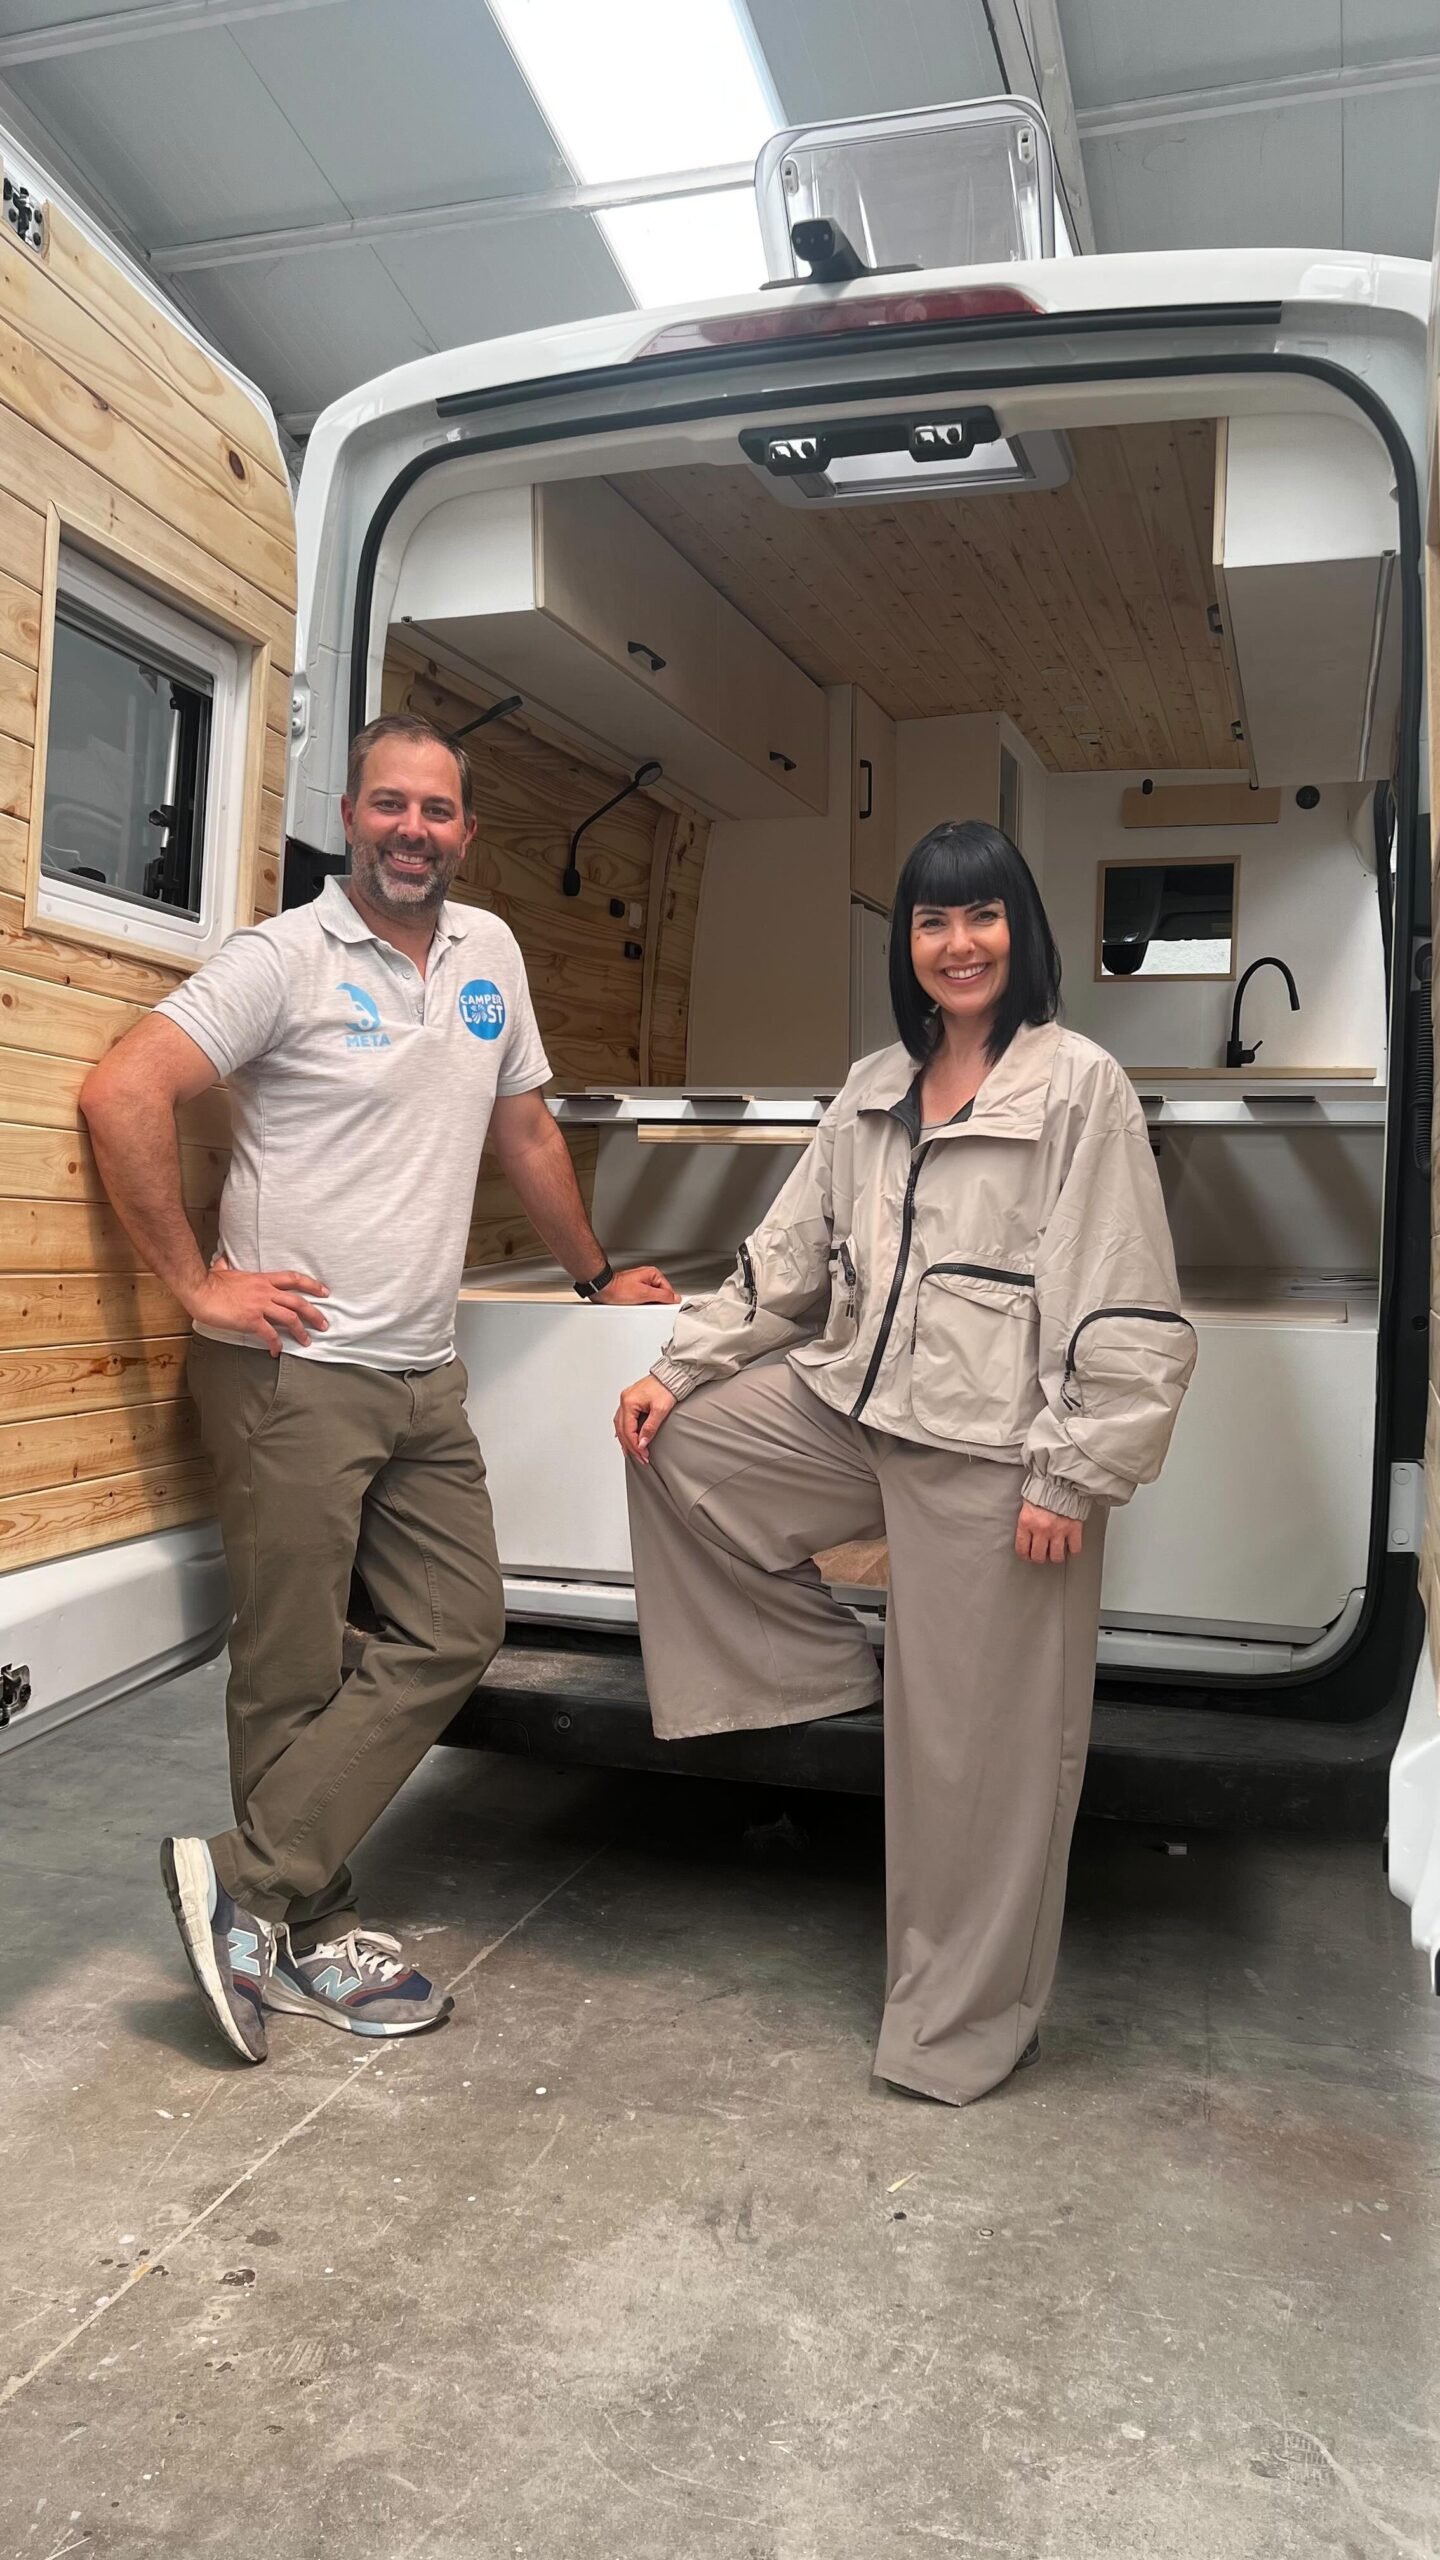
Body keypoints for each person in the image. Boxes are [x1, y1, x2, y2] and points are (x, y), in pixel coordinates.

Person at [81, 712, 676, 2064]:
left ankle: (247, 1886)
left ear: (466, 831)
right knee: (290, 1667)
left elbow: (523, 1126)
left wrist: (594, 1278)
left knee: (457, 1626)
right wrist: (197, 1285)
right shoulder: (283, 958)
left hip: (422, 1371)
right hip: (293, 1376)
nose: (415, 829)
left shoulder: (491, 953)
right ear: (350, 815)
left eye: (438, 810)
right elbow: (125, 1093)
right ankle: (302, 1931)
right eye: (390, 804)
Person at [614, 820, 1195, 2107]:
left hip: (995, 1447)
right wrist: (682, 1364)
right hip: (852, 1406)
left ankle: (958, 2030)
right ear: (910, 944)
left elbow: (1124, 1291)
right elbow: (787, 1258)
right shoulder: (874, 1085)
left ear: (1021, 930)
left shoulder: (1080, 1084)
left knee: (977, 1765)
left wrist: (1072, 1471)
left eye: (983, 915)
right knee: (680, 1446)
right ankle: (830, 1669)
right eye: (934, 920)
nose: (959, 942)